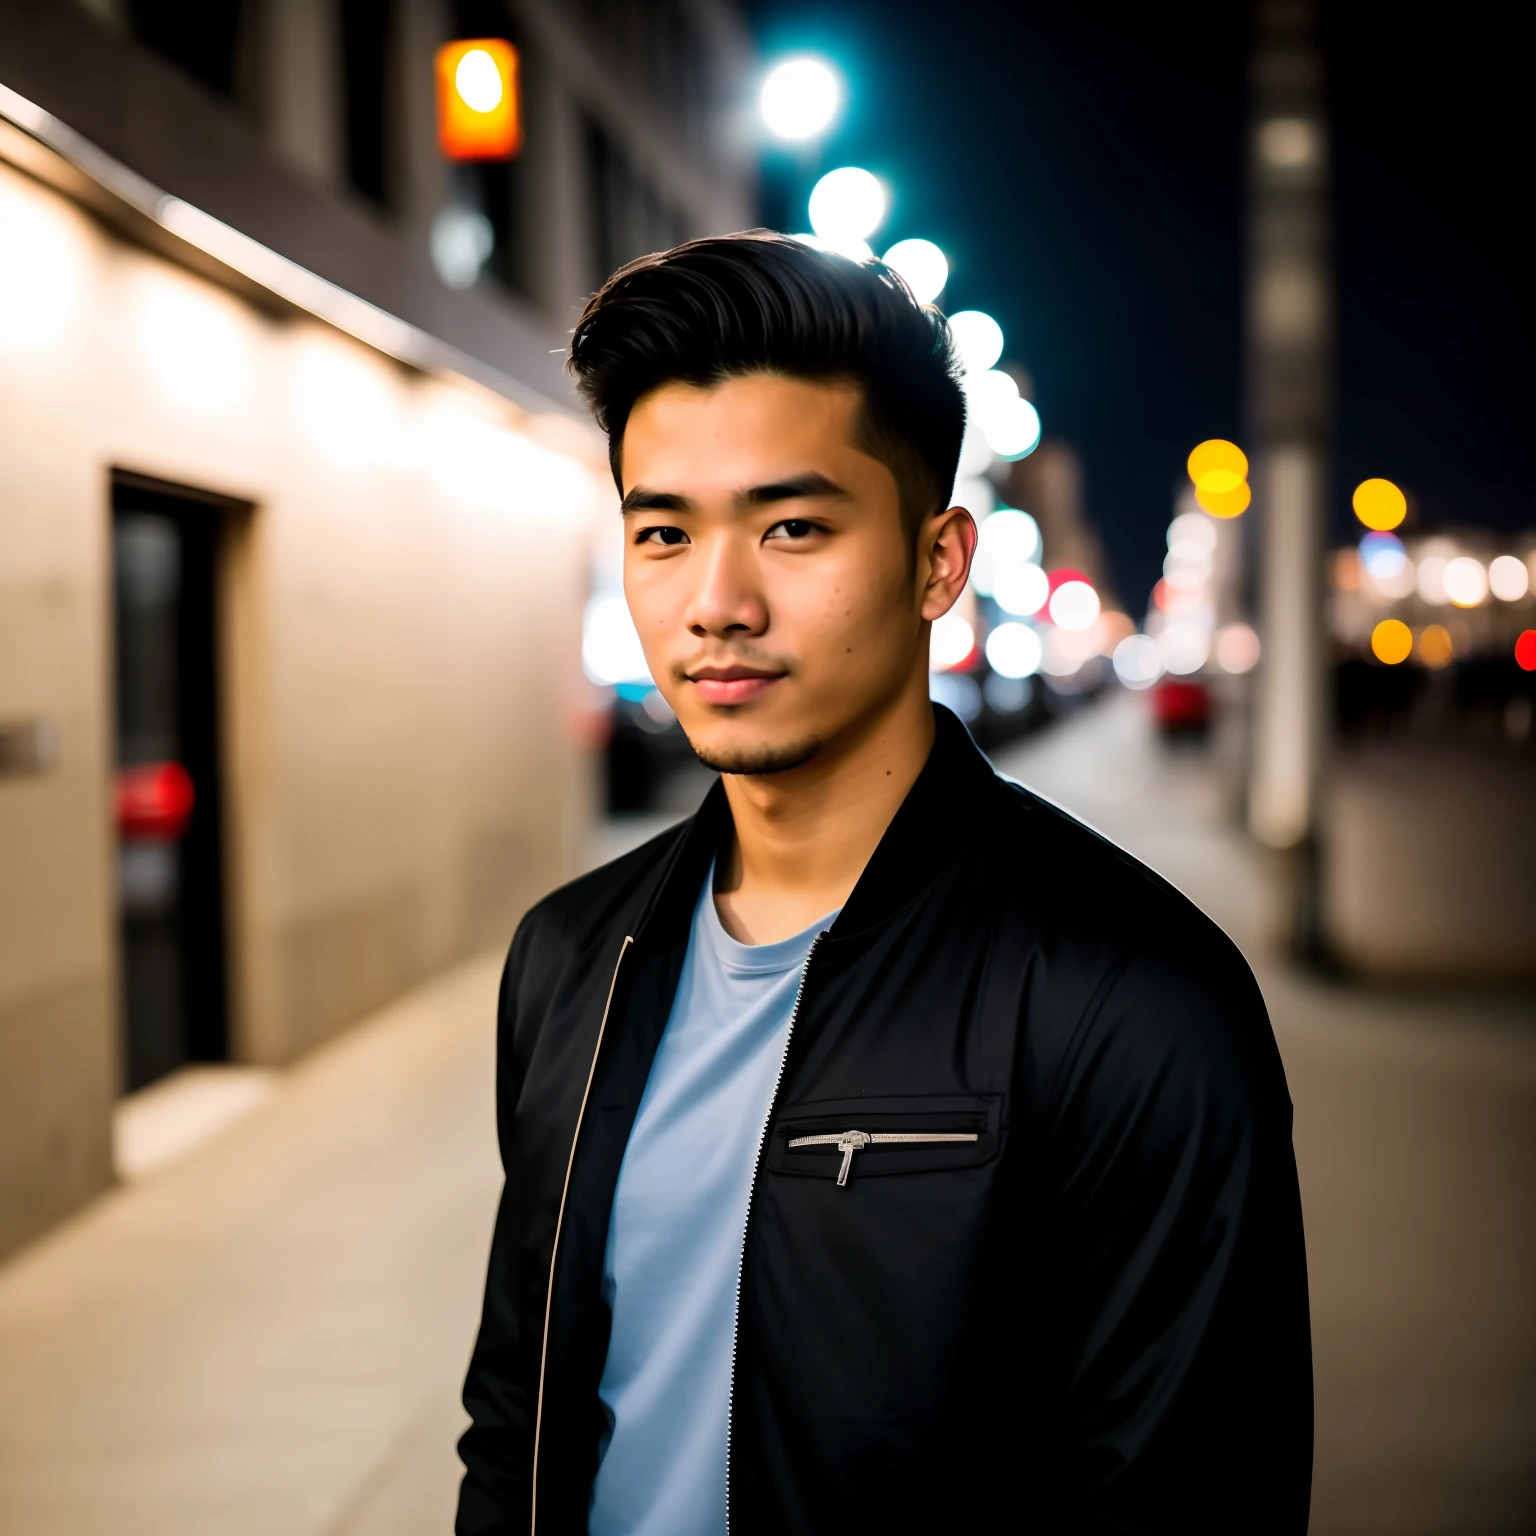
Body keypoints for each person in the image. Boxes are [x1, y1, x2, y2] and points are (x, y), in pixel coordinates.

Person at [456, 232, 1311, 1535]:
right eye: (664, 533)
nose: (717, 602)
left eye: (793, 527)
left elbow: (1192, 1488)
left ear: (938, 562)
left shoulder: (1136, 996)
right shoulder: (573, 956)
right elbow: (517, 1414)